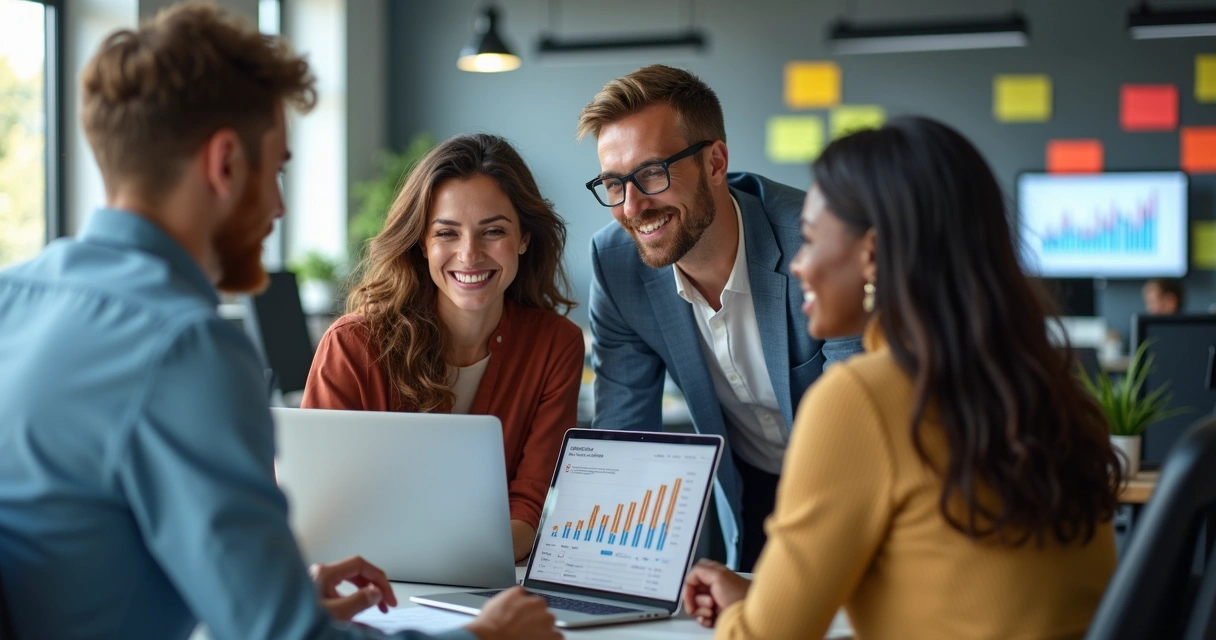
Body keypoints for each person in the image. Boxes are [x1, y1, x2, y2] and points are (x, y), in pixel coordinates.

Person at [0, 5, 558, 640]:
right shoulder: (188, 348)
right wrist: (484, 638)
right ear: (226, 163)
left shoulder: (10, 300)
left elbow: (90, 559)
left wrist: (274, 588)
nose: (279, 206)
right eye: (277, 170)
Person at [680, 116, 1122, 639]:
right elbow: (949, 591)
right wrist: (761, 599)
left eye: (811, 239)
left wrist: (740, 619)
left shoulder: (864, 396)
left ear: (870, 255)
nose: (798, 265)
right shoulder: (1037, 384)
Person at [578, 64, 863, 571]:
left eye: (651, 174)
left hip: (851, 483)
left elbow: (856, 423)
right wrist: (601, 579)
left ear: (715, 161)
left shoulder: (816, 244)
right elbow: (625, 434)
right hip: (751, 489)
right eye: (613, 183)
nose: (633, 205)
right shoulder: (616, 263)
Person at [302, 133, 584, 562]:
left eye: (493, 231)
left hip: (490, 584)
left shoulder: (555, 346)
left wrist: (456, 566)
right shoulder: (352, 346)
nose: (469, 255)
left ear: (524, 238)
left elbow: (528, 508)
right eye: (447, 233)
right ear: (422, 242)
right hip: (371, 585)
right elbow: (316, 511)